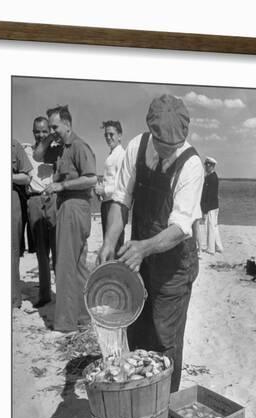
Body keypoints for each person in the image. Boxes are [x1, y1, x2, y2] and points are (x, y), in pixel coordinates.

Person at [98, 94, 204, 392]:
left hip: (174, 266)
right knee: (138, 329)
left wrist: (143, 247)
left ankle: (164, 406)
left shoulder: (191, 164)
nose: (168, 152)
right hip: (140, 259)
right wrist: (109, 241)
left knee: (164, 338)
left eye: (174, 147)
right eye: (162, 145)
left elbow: (181, 227)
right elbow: (120, 200)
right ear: (152, 133)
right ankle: (140, 399)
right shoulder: (136, 146)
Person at [42, 105, 97, 332]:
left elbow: (92, 179)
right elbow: (38, 155)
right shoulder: (62, 147)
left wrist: (61, 185)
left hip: (74, 208)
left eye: (54, 126)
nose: (52, 130)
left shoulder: (78, 146)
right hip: (73, 208)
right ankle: (83, 316)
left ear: (67, 123)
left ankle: (65, 322)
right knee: (78, 266)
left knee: (64, 265)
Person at [23, 117, 61, 308]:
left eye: (45, 131)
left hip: (53, 199)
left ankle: (62, 294)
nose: (41, 135)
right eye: (37, 131)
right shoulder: (26, 150)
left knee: (58, 249)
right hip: (35, 201)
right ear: (33, 132)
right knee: (41, 251)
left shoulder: (57, 150)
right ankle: (45, 295)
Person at [94, 121, 127, 253]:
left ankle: (116, 271)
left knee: (114, 243)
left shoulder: (121, 155)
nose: (108, 137)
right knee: (108, 242)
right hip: (107, 202)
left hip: (115, 204)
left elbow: (122, 184)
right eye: (106, 135)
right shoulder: (112, 154)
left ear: (120, 135)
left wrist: (104, 190)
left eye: (111, 134)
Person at [12, 139, 33, 308]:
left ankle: (13, 298)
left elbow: (27, 176)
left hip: (11, 197)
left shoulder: (14, 145)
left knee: (12, 251)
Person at [201, 156, 224, 255]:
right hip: (213, 206)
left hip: (211, 206)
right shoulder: (212, 177)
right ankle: (218, 247)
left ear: (213, 166)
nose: (206, 167)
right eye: (205, 164)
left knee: (211, 227)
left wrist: (205, 210)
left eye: (208, 165)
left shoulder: (211, 178)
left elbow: (209, 195)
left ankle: (211, 249)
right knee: (214, 226)